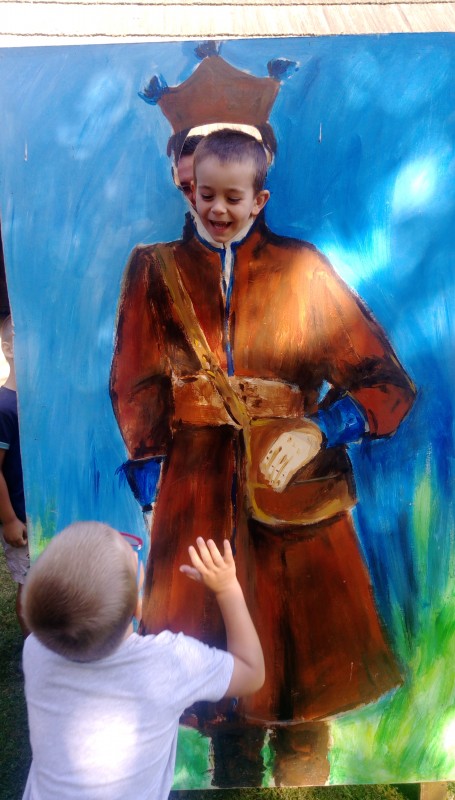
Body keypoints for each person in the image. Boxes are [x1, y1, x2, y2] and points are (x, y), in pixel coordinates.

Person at [110, 127, 416, 786]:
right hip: (196, 501)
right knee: (218, 695)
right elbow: (135, 385)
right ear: (189, 188)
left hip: (294, 503)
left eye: (232, 197)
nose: (217, 209)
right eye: (205, 194)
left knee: (303, 691)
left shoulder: (301, 267)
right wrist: (156, 487)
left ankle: (303, 782)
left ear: (260, 198)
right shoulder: (154, 269)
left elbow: (386, 383)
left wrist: (319, 429)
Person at [21, 521, 264, 800]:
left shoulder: (35, 649)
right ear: (138, 601)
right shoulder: (168, 662)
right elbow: (251, 672)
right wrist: (227, 588)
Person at [0, 314, 29, 634]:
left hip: (43, 515)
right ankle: (34, 650)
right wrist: (9, 519)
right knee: (29, 585)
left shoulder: (36, 403)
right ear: (8, 349)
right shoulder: (4, 406)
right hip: (20, 518)